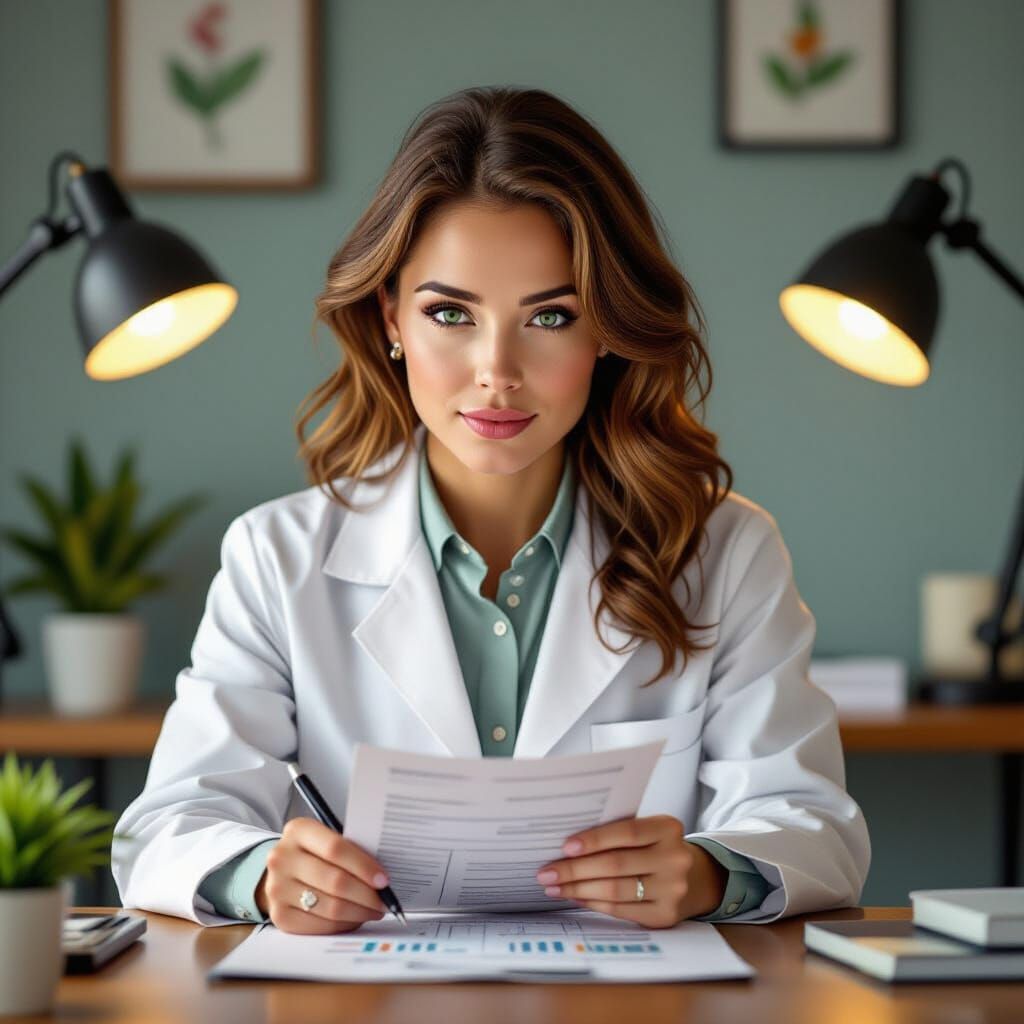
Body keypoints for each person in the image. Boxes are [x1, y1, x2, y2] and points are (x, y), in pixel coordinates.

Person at [111, 86, 870, 934]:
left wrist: (705, 871)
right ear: (390, 316)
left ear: (608, 331)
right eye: (450, 314)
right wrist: (259, 876)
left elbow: (818, 829)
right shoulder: (274, 556)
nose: (496, 371)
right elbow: (164, 832)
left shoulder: (725, 550)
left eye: (550, 315)